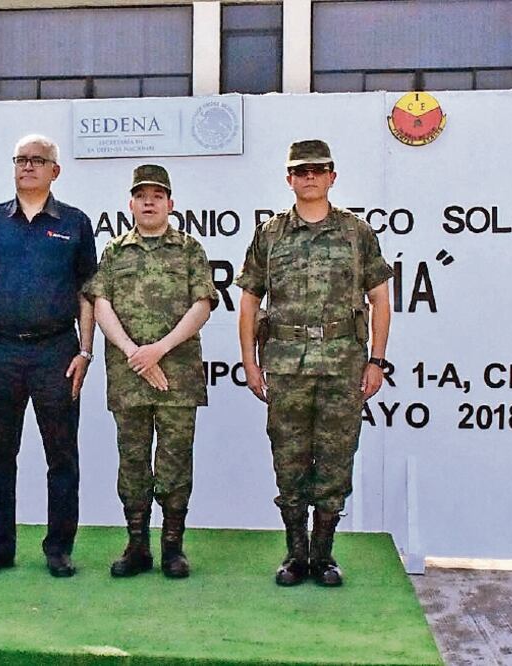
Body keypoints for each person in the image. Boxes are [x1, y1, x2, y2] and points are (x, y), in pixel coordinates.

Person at [235, 139, 392, 587]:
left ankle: (323, 555)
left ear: (332, 177)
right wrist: (249, 362)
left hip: (343, 365)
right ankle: (294, 554)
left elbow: (380, 299)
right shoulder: (269, 234)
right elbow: (249, 301)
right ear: (289, 179)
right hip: (286, 366)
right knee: (289, 460)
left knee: (336, 459)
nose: (309, 177)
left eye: (318, 170)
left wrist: (377, 360)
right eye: (301, 171)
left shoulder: (357, 233)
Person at [0, 134, 97, 578]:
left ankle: (59, 549)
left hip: (56, 351)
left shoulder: (75, 223)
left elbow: (87, 294)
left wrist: (85, 351)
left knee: (62, 456)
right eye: (21, 160)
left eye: (38, 160)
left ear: (55, 171)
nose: (28, 167)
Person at [83, 165, 218, 579]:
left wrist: (159, 350)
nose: (149, 202)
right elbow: (99, 303)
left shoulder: (190, 250)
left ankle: (172, 548)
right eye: (141, 196)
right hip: (129, 376)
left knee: (175, 462)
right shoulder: (114, 252)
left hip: (177, 375)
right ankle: (137, 546)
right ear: (130, 204)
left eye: (157, 196)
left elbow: (202, 305)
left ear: (170, 204)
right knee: (133, 461)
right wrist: (134, 353)